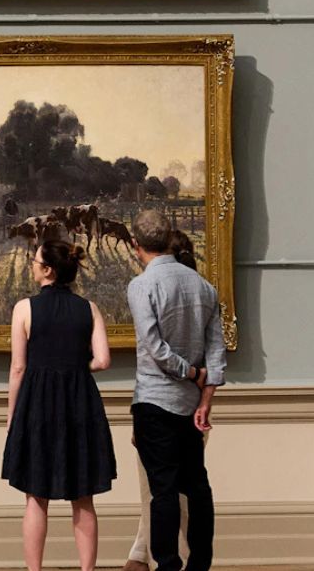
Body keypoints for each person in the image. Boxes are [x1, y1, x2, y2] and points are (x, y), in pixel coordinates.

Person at [3, 240, 116, 571]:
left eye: (34, 260)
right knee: (83, 496)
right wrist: (74, 366)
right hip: (80, 401)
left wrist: (12, 415)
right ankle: (87, 570)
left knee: (36, 496)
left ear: (47, 270)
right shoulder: (89, 307)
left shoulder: (24, 308)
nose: (32, 265)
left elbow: (18, 368)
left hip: (37, 403)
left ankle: (34, 570)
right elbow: (104, 360)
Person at [127, 227, 226, 571]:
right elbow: (216, 350)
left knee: (164, 491)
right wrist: (205, 396)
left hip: (155, 401)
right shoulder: (204, 286)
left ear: (136, 245)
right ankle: (200, 565)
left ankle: (168, 565)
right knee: (197, 486)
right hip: (190, 404)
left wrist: (190, 373)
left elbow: (155, 349)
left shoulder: (141, 285)